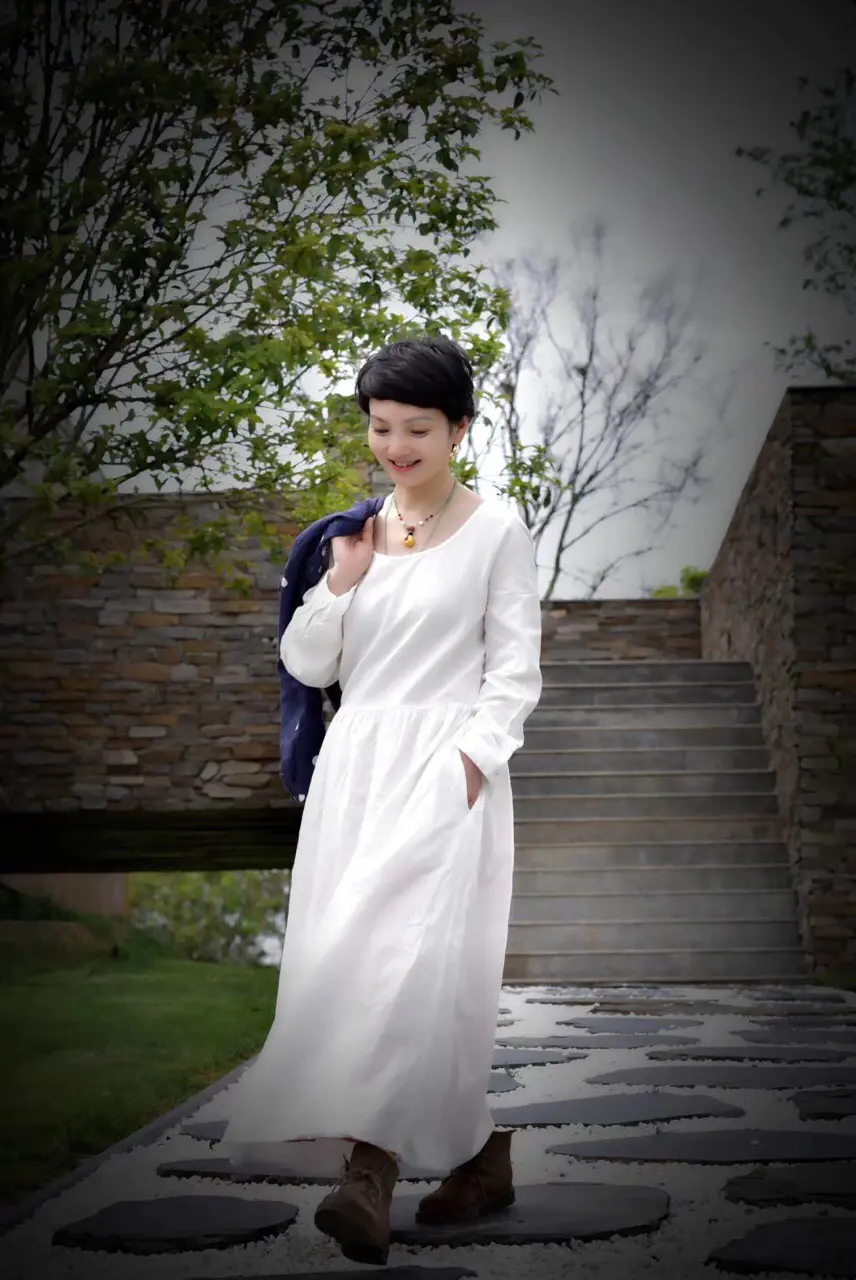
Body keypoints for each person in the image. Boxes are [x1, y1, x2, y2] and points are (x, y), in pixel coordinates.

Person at [218, 334, 543, 1267]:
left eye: (418, 429)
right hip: (355, 773)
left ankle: (369, 1175)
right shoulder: (350, 537)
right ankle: (479, 1157)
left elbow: (515, 673)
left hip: (445, 772)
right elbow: (307, 663)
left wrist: (468, 767)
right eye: (382, 427)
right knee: (357, 962)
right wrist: (339, 583)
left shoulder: (497, 529)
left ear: (460, 429)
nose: (396, 447)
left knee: (405, 964)